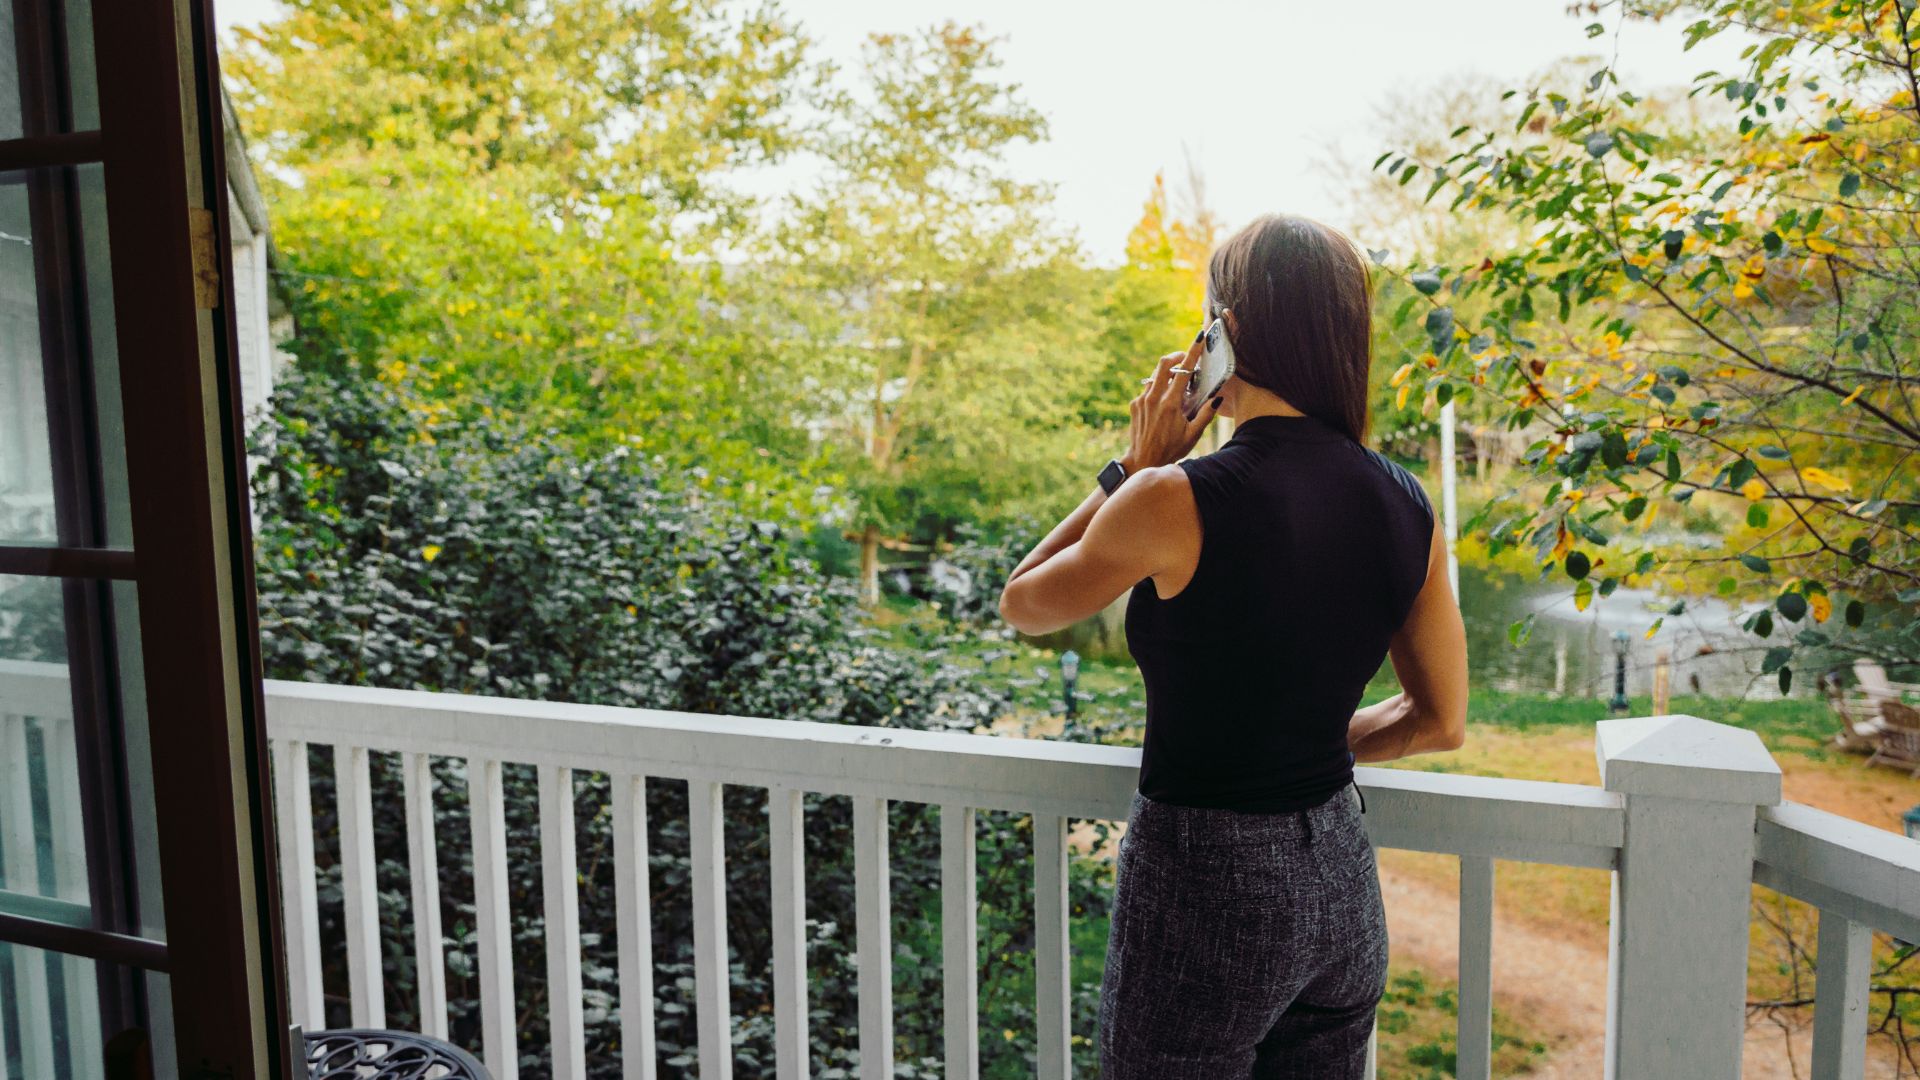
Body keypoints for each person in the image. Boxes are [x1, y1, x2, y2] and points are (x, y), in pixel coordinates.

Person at [998, 213, 1468, 1078]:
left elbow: (1025, 602)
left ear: (1226, 332)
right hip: (1342, 884)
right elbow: (1441, 720)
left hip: (1206, 886)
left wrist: (1131, 468)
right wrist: (1311, 752)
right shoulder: (1407, 503)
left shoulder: (1174, 497)